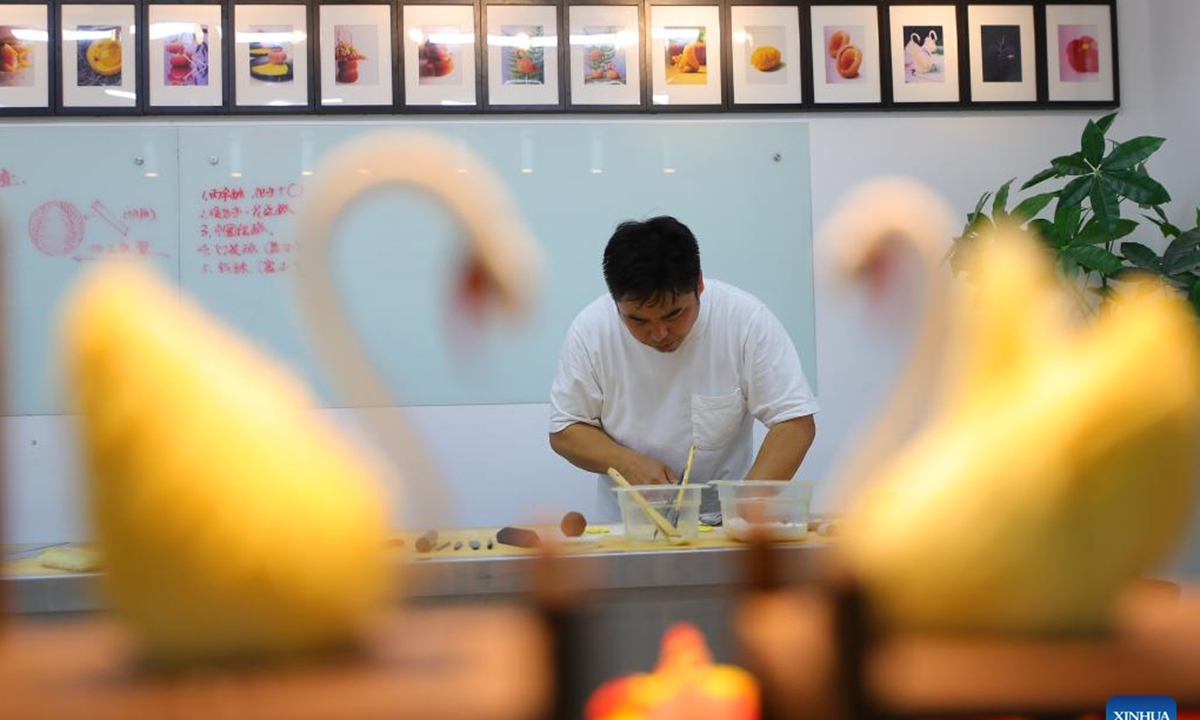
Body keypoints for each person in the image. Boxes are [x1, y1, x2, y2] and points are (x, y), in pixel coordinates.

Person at [548, 216, 819, 521]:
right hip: (627, 524)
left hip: (723, 523)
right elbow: (565, 429)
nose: (659, 333)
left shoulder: (745, 321)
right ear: (616, 302)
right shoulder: (591, 331)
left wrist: (744, 507)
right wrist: (624, 462)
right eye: (638, 321)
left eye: (674, 314)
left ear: (699, 284)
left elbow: (794, 423)